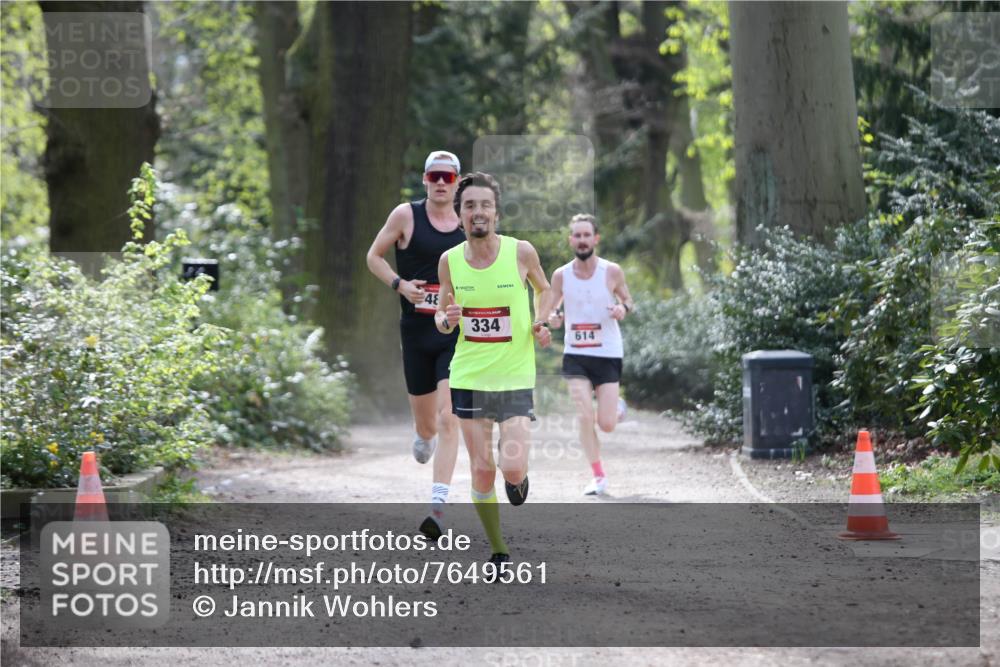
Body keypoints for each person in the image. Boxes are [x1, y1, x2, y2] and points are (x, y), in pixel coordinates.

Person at [434, 172, 554, 566]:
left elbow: (545, 289)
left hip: (515, 375)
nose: (478, 212)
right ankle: (498, 549)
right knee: (483, 470)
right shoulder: (449, 262)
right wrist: (446, 319)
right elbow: (442, 317)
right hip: (469, 376)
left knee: (513, 467)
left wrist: (542, 320)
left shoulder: (520, 253)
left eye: (485, 205)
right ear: (459, 214)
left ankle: (518, 482)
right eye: (470, 205)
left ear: (496, 214)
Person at [366, 150, 465, 540]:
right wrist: (399, 284)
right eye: (434, 176)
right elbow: (373, 256)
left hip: (453, 335)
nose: (441, 183)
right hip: (416, 332)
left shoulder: (467, 224)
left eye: (448, 177)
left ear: (457, 183)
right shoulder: (406, 215)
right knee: (427, 425)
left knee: (449, 418)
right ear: (425, 179)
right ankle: (422, 437)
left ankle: (437, 508)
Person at [546, 213, 634, 496]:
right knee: (584, 413)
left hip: (607, 352)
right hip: (576, 354)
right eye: (577, 235)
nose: (582, 240)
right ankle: (598, 476)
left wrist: (623, 309)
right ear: (571, 240)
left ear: (596, 239)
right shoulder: (561, 275)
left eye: (587, 235)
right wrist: (554, 318)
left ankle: (616, 407)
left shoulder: (611, 271)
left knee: (605, 425)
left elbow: (628, 300)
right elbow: (551, 309)